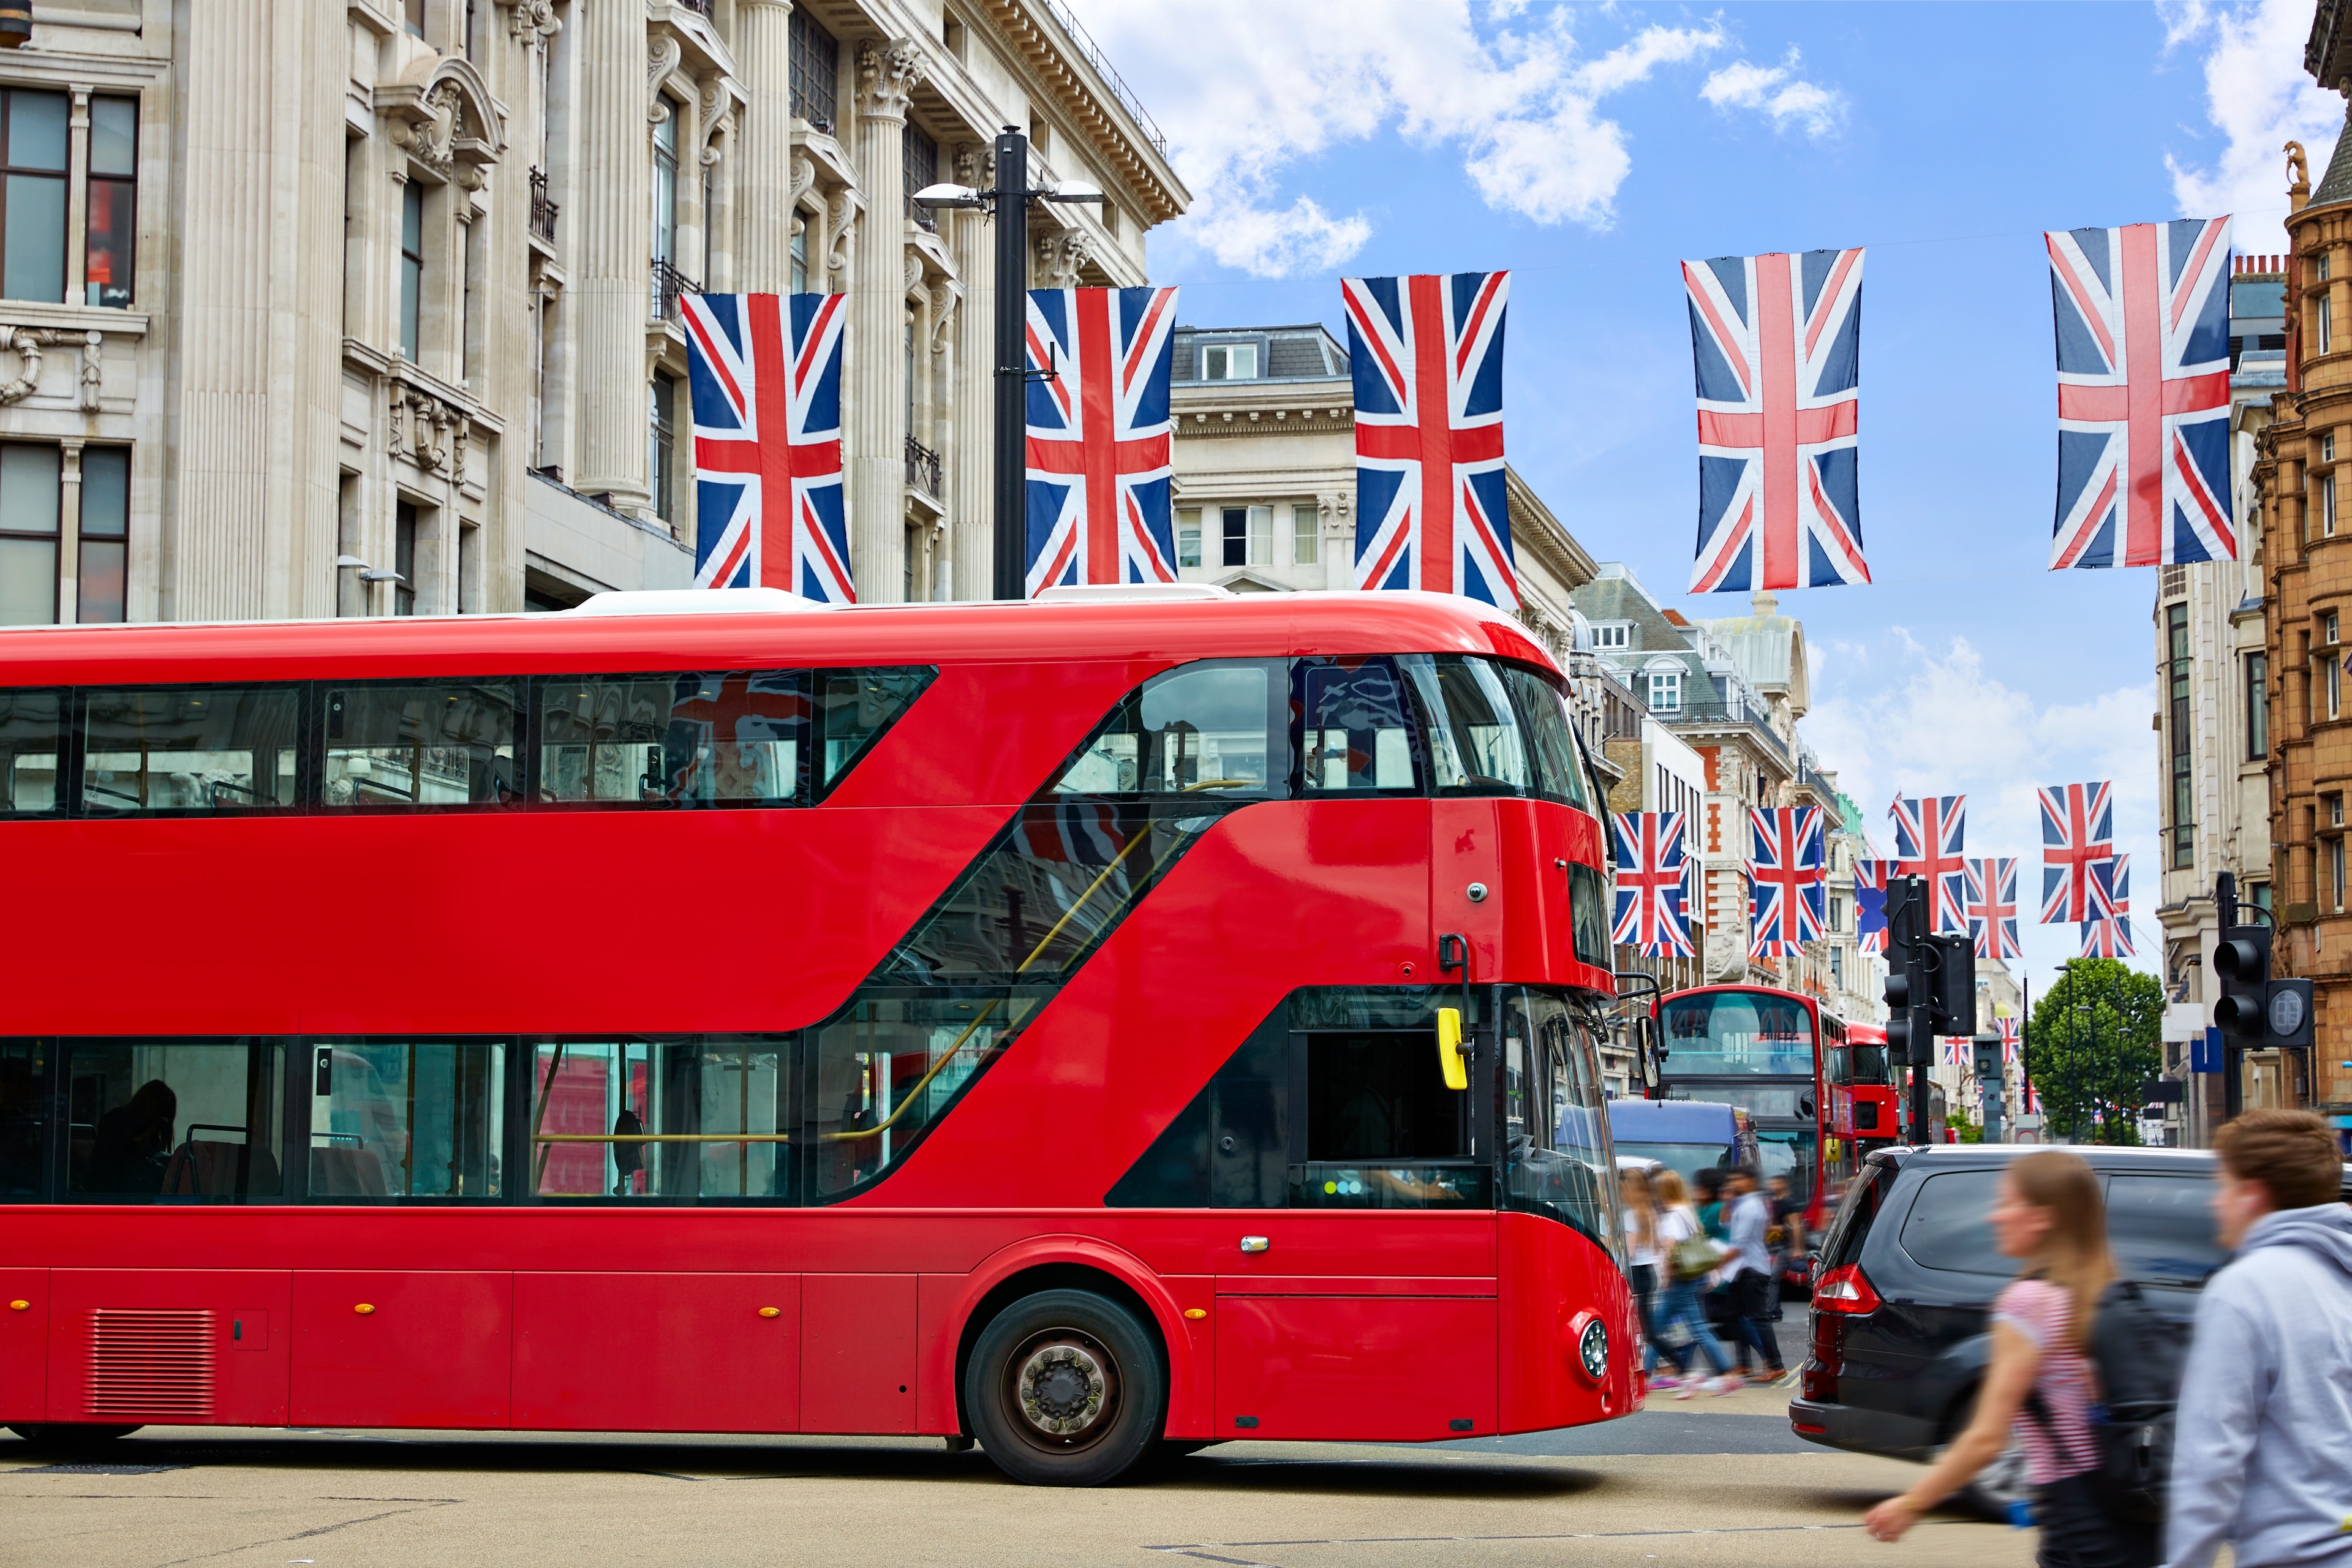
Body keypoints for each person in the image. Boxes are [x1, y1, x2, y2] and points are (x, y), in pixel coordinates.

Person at [1862, 1150, 2155, 1568]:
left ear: (2043, 1217)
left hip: (2079, 1526)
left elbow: (1986, 1437)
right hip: (2134, 1518)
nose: (1995, 1216)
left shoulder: (2030, 1303)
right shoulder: (2112, 1293)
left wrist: (1911, 1504)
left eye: (2007, 1203)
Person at [2168, 1109, 2352, 1568]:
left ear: (2252, 1195)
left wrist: (2188, 1558)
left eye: (2222, 1188)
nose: (2214, 1203)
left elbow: (2211, 1455)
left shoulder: (2247, 1288)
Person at [1648, 1168, 1740, 1397]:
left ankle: (1647, 1375)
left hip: (1680, 1279)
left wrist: (1667, 1278)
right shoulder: (1687, 1211)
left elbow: (1670, 1250)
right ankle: (1651, 1374)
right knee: (1671, 1327)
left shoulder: (1671, 1216)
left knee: (1661, 1329)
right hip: (1694, 1276)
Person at [1721, 1166, 1786, 1382]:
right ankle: (1744, 1363)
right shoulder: (1742, 1204)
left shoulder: (1750, 1206)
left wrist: (1717, 1265)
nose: (1733, 1184)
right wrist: (1728, 1200)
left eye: (1737, 1180)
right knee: (1732, 1315)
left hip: (1752, 1268)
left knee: (1759, 1318)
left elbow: (1739, 1243)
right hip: (1742, 1268)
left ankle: (1776, 1365)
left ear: (1749, 1181)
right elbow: (1725, 1223)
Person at [1619, 1166, 1663, 1381]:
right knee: (1647, 1327)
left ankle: (1678, 1365)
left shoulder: (1630, 1215)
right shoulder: (1648, 1212)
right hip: (1649, 1271)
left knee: (1639, 1326)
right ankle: (1652, 1368)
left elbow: (1630, 1251)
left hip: (1636, 1272)